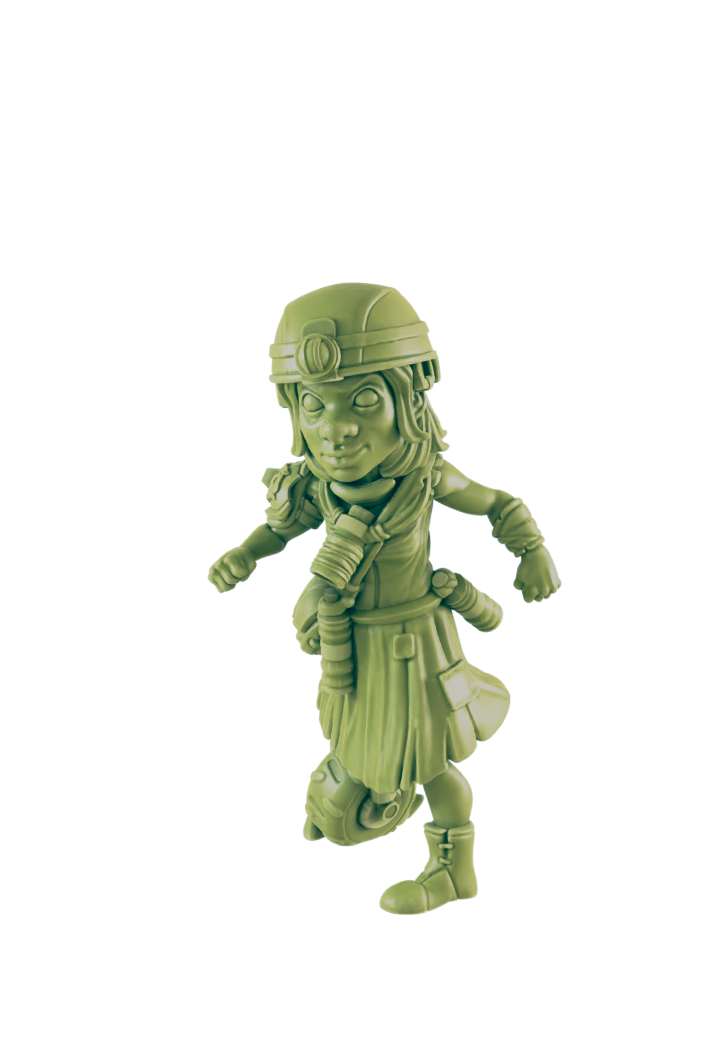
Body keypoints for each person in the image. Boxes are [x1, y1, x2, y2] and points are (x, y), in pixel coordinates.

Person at [207, 283, 562, 915]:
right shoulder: (317, 487)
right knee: (352, 731)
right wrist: (245, 554)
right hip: (350, 643)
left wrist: (532, 551)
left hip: (413, 643)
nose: (337, 429)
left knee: (433, 763)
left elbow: (498, 504)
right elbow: (279, 531)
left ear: (409, 401)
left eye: (364, 400)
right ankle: (360, 794)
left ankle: (453, 869)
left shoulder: (424, 479)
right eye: (314, 404)